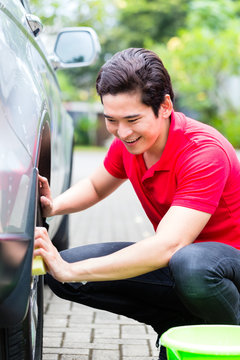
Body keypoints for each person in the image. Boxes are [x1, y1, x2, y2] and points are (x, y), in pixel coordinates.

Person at [35, 48, 240, 360]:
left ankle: (228, 344)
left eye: (133, 119)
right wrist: (53, 205)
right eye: (111, 120)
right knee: (61, 274)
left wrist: (72, 270)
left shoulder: (202, 153)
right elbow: (95, 186)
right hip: (181, 264)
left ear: (166, 106)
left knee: (192, 265)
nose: (123, 132)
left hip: (224, 269)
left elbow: (167, 247)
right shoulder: (130, 143)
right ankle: (180, 326)